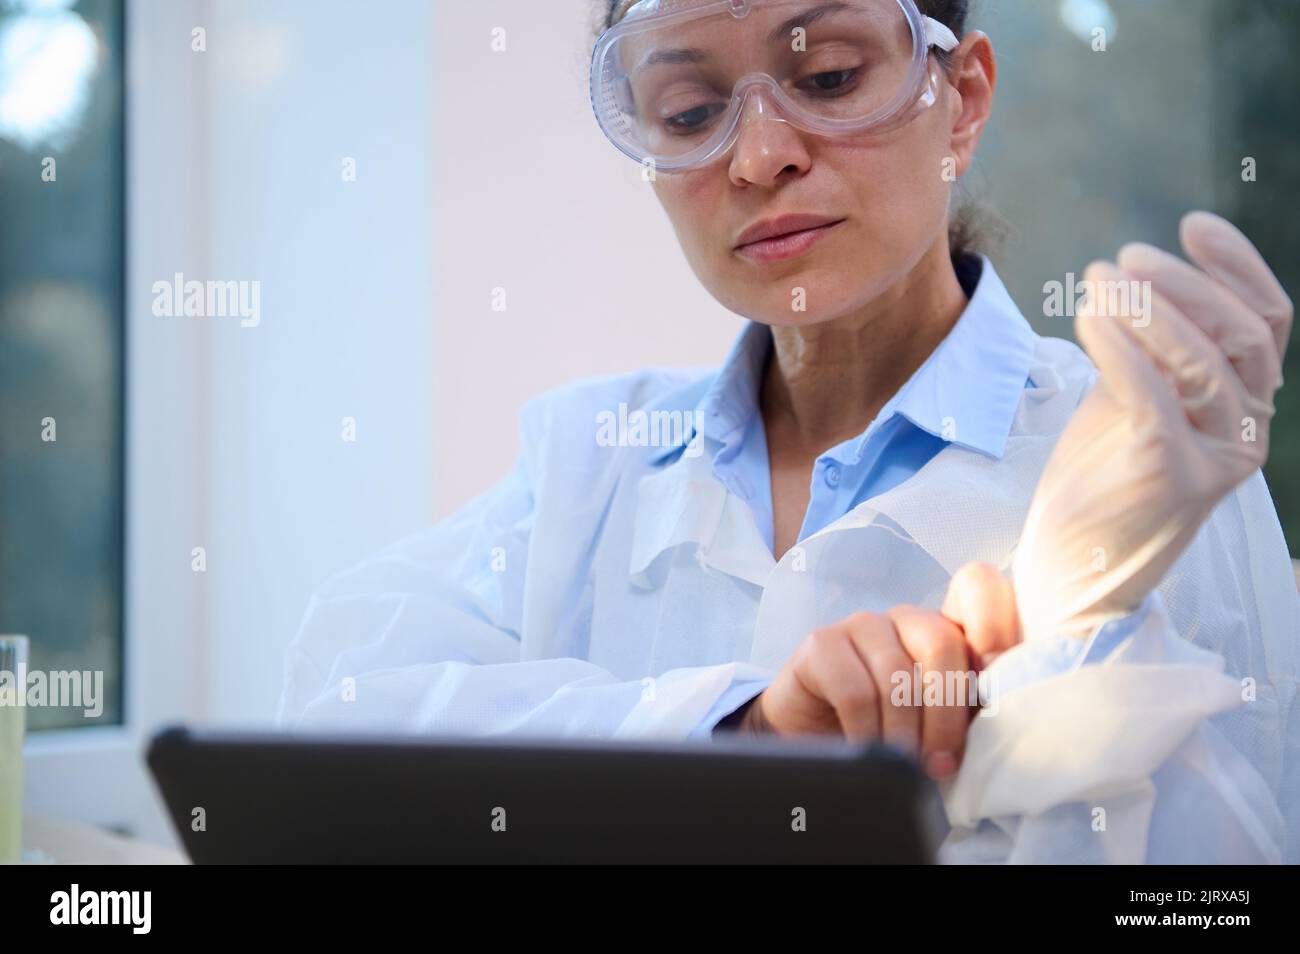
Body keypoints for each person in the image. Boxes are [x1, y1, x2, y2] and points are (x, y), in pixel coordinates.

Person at [278, 0, 1297, 863]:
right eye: (690, 110)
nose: (760, 157)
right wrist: (746, 724)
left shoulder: (1143, 456)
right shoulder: (590, 456)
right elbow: (334, 721)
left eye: (829, 78)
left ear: (963, 103)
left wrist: (1086, 655)